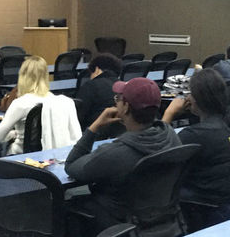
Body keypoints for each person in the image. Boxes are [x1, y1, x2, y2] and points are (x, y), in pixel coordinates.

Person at [64, 77, 182, 234]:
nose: (116, 103)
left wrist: (94, 127)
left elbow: (71, 165)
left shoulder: (117, 152)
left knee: (68, 204)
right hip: (161, 221)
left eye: (118, 99)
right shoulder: (171, 137)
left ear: (125, 107)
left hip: (120, 222)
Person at [161, 69, 230, 232]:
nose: (186, 97)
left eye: (189, 93)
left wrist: (168, 114)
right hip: (228, 202)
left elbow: (158, 151)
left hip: (207, 206)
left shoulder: (195, 135)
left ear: (197, 100)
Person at [0, 56, 79, 155]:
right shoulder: (57, 101)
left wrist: (13, 135)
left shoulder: (20, 103)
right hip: (49, 154)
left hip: (20, 156)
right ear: (45, 75)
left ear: (22, 76)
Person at [75, 53, 123, 135]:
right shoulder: (123, 86)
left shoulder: (90, 86)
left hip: (93, 134)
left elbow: (78, 117)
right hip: (118, 134)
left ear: (97, 69)